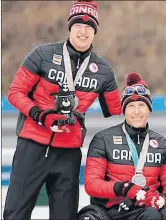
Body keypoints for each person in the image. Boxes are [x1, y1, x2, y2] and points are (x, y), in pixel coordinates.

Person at [3, 1, 122, 219]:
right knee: (16, 212)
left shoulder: (103, 70)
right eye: (78, 25)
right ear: (70, 27)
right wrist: (41, 115)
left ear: (95, 31)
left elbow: (116, 110)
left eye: (89, 27)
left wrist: (133, 90)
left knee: (64, 215)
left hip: (68, 152)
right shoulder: (42, 54)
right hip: (32, 145)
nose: (83, 31)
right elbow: (15, 92)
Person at [84, 73, 166, 220]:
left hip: (148, 204)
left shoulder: (162, 143)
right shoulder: (103, 139)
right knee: (151, 215)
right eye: (131, 106)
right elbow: (92, 184)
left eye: (142, 105)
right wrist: (124, 188)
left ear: (149, 109)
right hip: (115, 208)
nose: (136, 111)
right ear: (124, 110)